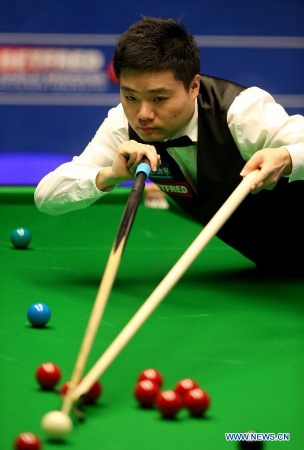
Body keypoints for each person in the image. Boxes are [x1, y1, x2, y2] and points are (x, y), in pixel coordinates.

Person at [35, 17, 304, 273]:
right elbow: (46, 196)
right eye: (129, 96)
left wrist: (287, 156)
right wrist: (109, 175)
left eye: (159, 99)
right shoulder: (122, 126)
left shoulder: (241, 112)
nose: (142, 114)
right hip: (270, 271)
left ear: (194, 86)